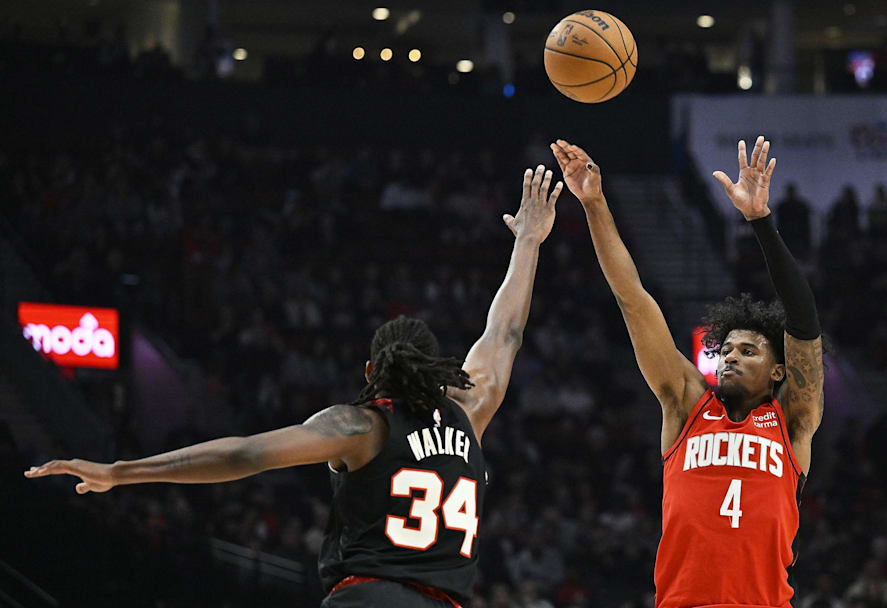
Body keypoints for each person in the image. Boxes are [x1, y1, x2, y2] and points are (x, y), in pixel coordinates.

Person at [25, 164, 566, 608]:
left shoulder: (360, 425)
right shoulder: (472, 410)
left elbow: (243, 454)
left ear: (370, 373)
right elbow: (506, 332)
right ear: (440, 373)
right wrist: (528, 243)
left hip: (369, 599)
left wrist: (122, 472)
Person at [550, 137, 824, 608]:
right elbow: (633, 298)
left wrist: (760, 222)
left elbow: (803, 322)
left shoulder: (793, 421)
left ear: (779, 371)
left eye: (748, 351)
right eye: (727, 349)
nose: (731, 357)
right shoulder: (686, 401)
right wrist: (594, 204)